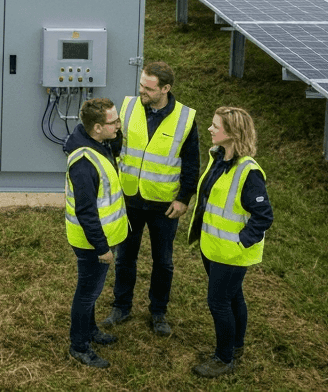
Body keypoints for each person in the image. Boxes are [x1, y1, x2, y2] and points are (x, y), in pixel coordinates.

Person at [101, 61, 200, 337]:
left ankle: (158, 312)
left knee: (163, 262)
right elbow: (115, 145)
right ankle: (121, 307)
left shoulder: (185, 119)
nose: (141, 90)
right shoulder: (128, 106)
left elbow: (191, 163)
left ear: (165, 89)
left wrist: (183, 199)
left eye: (149, 88)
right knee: (124, 258)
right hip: (130, 199)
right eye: (141, 84)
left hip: (163, 205)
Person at [188, 106, 273, 378]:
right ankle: (236, 346)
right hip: (213, 247)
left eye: (216, 126)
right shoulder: (218, 158)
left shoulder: (249, 172)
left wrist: (240, 243)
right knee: (233, 297)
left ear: (233, 133)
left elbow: (263, 216)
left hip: (230, 253)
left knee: (218, 303)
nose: (210, 129)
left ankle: (224, 358)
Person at [64, 97, 127, 369]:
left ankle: (90, 330)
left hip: (100, 238)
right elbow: (86, 211)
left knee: (91, 290)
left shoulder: (98, 144)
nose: (119, 126)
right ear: (97, 128)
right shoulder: (84, 163)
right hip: (92, 243)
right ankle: (79, 346)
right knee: (87, 293)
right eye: (114, 122)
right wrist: (102, 247)